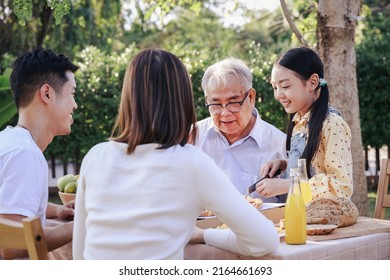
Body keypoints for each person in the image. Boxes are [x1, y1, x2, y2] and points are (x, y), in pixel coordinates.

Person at [72, 49, 279, 260]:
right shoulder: (191, 161)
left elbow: (79, 254)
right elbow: (265, 241)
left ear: (128, 98)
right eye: (215, 103)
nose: (224, 112)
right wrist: (203, 235)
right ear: (182, 100)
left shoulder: (95, 157)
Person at [0, 47, 78, 259]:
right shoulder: (25, 155)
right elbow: (11, 245)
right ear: (46, 94)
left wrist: (56, 211)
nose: (75, 105)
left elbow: (10, 205)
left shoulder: (8, 141)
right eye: (72, 94)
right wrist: (84, 225)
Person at [256, 46, 353, 200]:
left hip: (325, 219)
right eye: (275, 87)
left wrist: (287, 185)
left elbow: (341, 186)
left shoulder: (332, 124)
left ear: (312, 82)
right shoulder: (299, 123)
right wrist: (283, 164)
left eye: (285, 86)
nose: (278, 95)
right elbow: (315, 164)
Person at [194, 57, 287, 202]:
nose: (225, 113)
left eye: (233, 103)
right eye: (216, 104)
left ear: (251, 97)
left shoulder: (280, 145)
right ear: (207, 100)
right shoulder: (191, 138)